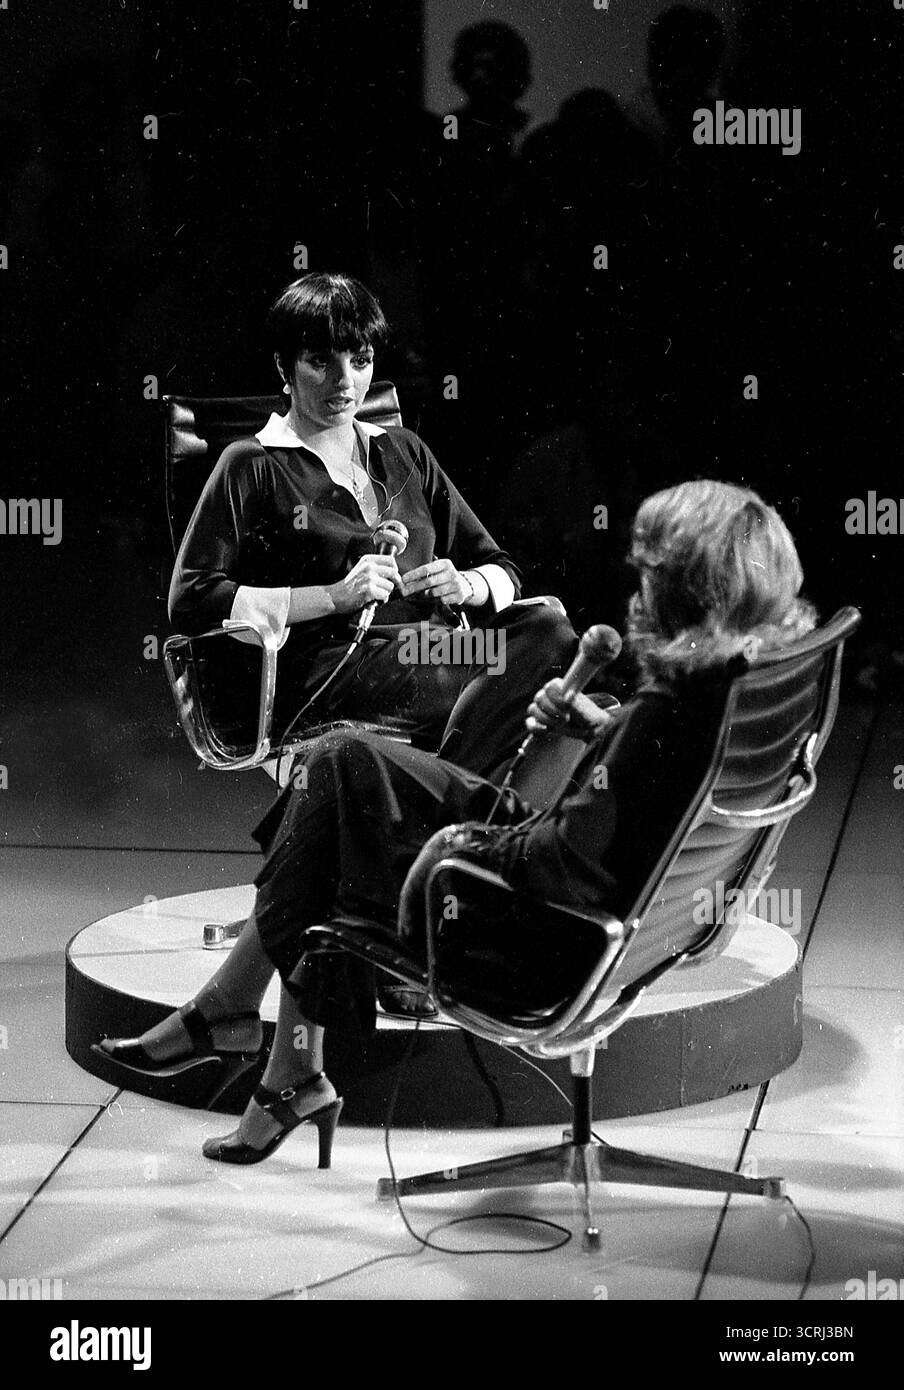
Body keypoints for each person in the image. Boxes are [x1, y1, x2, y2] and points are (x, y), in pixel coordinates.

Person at [97, 481, 817, 1165]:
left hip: (525, 920)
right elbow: (657, 793)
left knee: (338, 780)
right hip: (627, 915)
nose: (640, 590)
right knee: (342, 773)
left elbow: (568, 839)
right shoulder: (743, 691)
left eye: (653, 574)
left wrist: (453, 846)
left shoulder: (672, 711)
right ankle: (265, 1050)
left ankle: (249, 1030)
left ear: (689, 590)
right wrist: (600, 726)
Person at [167, 269, 577, 1015]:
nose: (344, 379)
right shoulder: (251, 466)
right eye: (321, 360)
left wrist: (467, 584)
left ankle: (400, 881)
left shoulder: (404, 453)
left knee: (547, 631)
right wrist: (335, 595)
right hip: (329, 674)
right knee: (559, 712)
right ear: (284, 368)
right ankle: (437, 895)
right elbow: (192, 599)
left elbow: (502, 566)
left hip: (432, 659)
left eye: (359, 360)